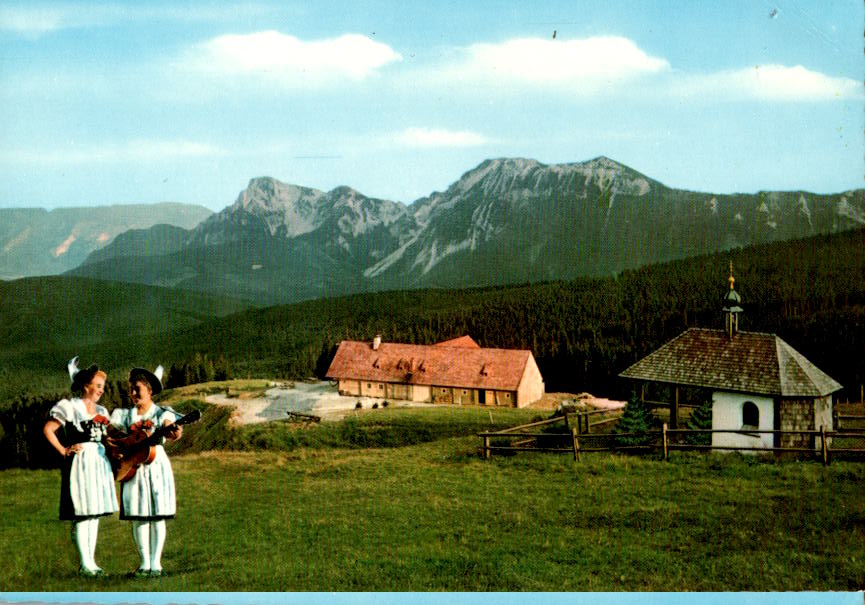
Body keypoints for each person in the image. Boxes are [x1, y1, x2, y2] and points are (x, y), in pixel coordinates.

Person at [43, 357, 118, 578]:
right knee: (83, 513)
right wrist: (63, 450)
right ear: (86, 385)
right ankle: (84, 563)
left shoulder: (102, 411)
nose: (101, 391)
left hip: (99, 462)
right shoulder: (71, 406)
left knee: (93, 513)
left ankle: (91, 562)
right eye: (97, 386)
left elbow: (105, 438)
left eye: (103, 387)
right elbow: (48, 429)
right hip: (81, 463)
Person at [109, 364, 181, 578]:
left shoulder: (162, 413)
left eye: (137, 388)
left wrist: (173, 431)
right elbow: (111, 436)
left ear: (150, 391)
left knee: (157, 515)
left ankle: (156, 564)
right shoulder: (125, 414)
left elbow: (173, 431)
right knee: (139, 515)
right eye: (131, 388)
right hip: (133, 468)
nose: (132, 393)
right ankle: (144, 563)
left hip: (156, 467)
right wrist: (119, 448)